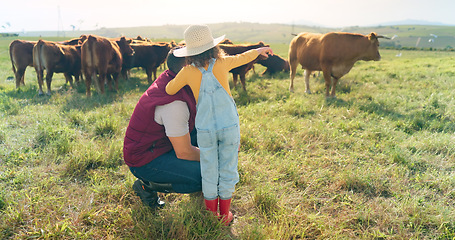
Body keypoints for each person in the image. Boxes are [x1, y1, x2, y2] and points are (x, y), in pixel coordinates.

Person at [165, 25, 273, 225]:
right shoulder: (223, 63)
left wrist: (181, 79)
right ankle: (225, 215)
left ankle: (211, 214)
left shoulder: (187, 71)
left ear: (188, 52)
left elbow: (170, 90)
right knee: (228, 168)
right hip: (229, 127)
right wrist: (259, 51)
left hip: (205, 129)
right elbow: (244, 57)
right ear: (213, 47)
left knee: (209, 169)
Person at [123, 47, 201, 208]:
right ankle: (147, 185)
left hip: (160, 144)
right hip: (145, 160)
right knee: (208, 173)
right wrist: (218, 156)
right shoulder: (174, 103)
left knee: (207, 137)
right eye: (200, 64)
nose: (206, 68)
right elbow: (184, 152)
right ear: (187, 68)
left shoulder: (172, 79)